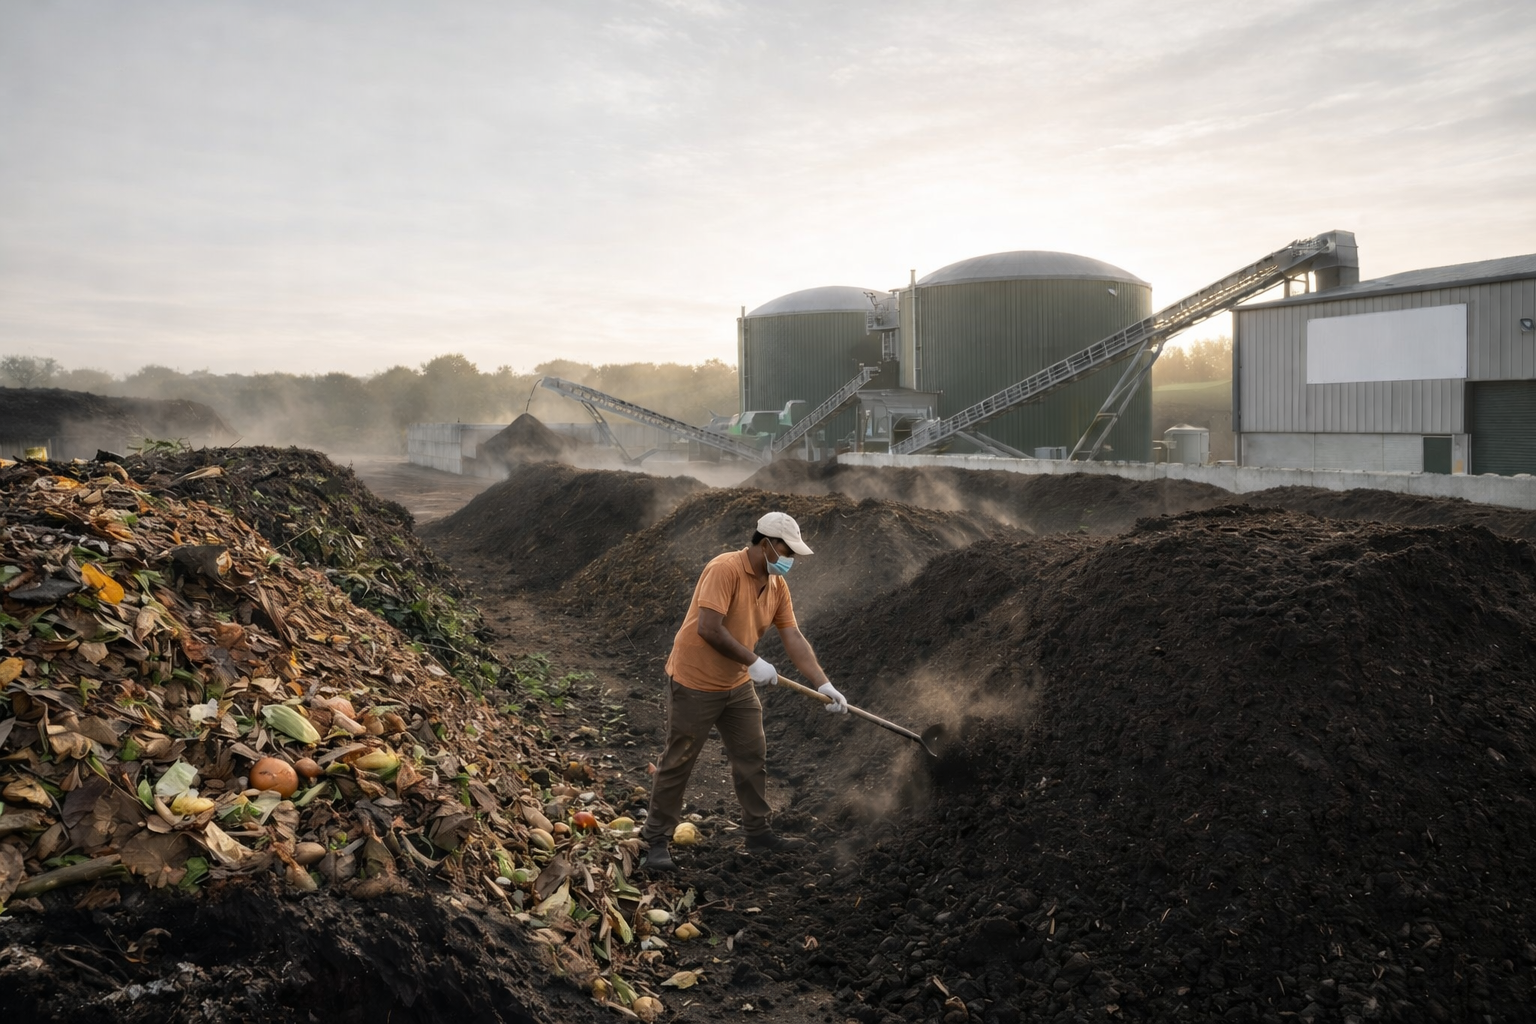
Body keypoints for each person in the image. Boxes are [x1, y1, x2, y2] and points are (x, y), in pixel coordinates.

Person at [639, 511, 847, 872]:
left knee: (752, 756)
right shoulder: (725, 569)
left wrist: (823, 683)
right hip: (695, 682)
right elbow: (708, 628)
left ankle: (758, 832)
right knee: (679, 761)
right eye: (787, 551)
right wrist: (754, 661)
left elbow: (793, 636)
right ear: (766, 543)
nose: (790, 560)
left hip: (736, 685)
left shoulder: (777, 584)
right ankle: (656, 840)